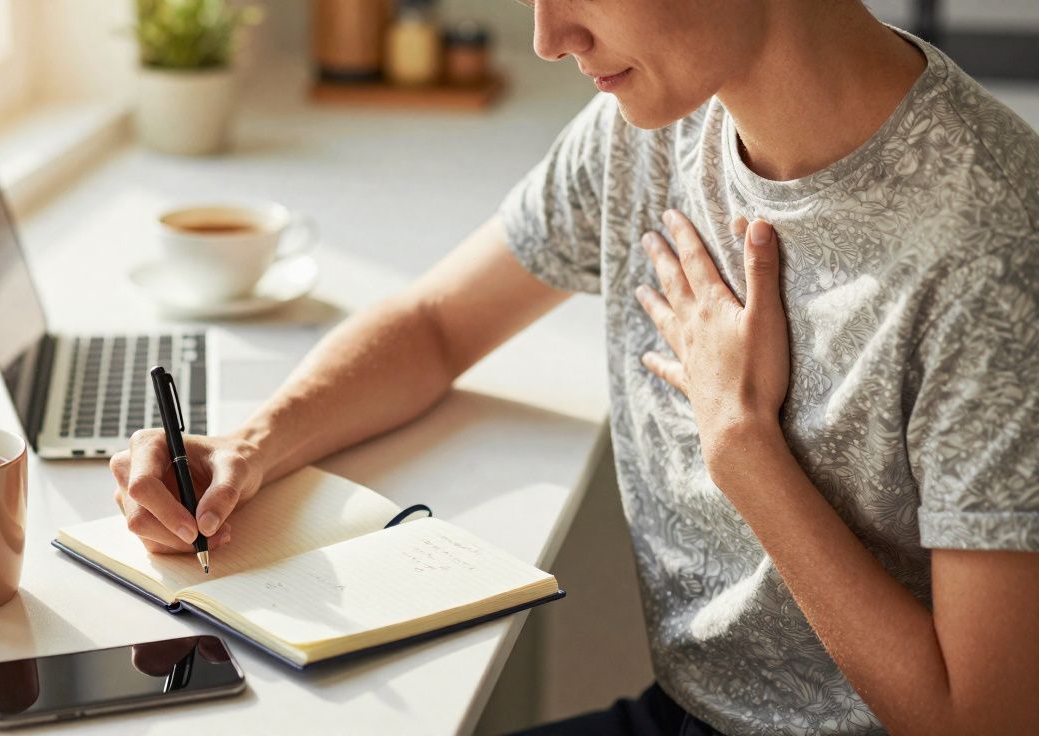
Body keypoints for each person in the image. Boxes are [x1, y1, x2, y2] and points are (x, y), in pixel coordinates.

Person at [110, 1, 1039, 733]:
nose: (549, 37)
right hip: (685, 713)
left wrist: (742, 444)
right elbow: (437, 323)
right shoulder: (653, 126)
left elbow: (981, 721)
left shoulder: (989, 248)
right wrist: (248, 445)